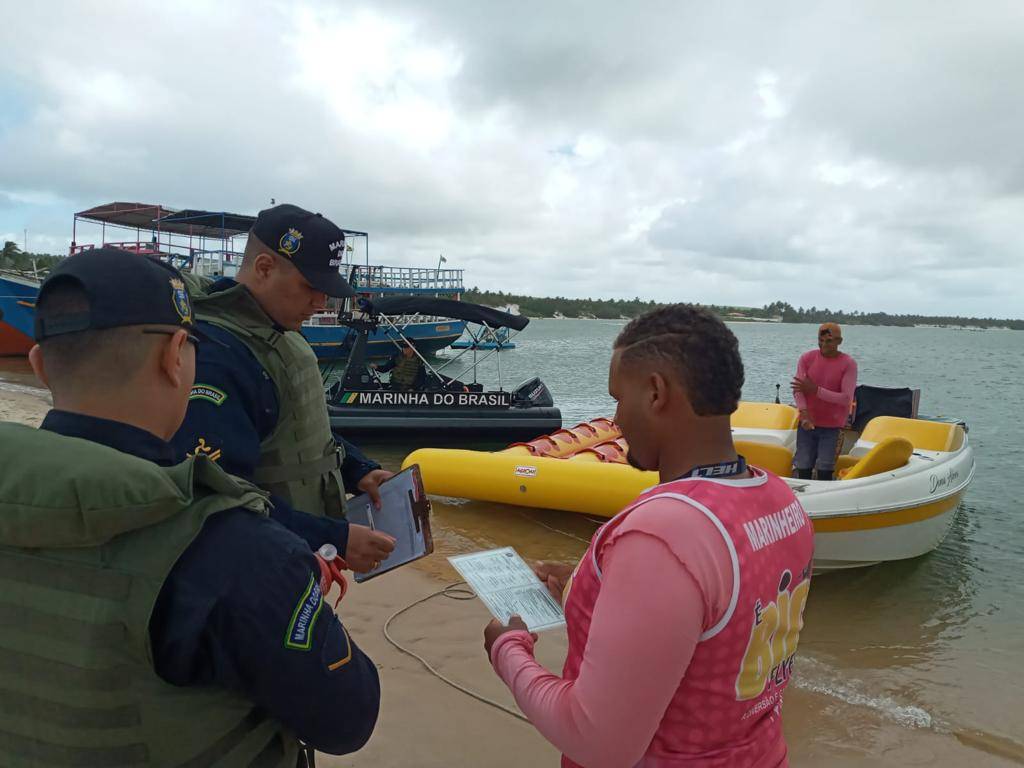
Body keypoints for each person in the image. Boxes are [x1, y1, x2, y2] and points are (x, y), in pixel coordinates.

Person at [0, 248, 379, 766]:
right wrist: (290, 582)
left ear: (40, 366)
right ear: (174, 356)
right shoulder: (232, 548)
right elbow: (348, 718)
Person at [483, 305, 815, 768]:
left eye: (619, 398)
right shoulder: (782, 502)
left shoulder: (662, 534)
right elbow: (716, 629)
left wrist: (508, 649)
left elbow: (597, 743)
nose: (615, 419)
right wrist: (584, 585)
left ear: (656, 392)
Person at [171, 203, 395, 573]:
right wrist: (332, 538)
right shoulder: (217, 359)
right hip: (248, 573)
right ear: (263, 268)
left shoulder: (276, 332)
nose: (320, 302)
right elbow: (215, 501)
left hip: (291, 559)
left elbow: (289, 431)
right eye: (310, 286)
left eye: (326, 290)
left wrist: (357, 469)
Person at [790, 321, 857, 481]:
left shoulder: (848, 364)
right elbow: (798, 388)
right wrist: (804, 413)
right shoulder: (807, 358)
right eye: (820, 340)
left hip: (832, 427)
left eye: (829, 341)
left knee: (825, 467)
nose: (823, 345)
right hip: (807, 422)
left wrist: (816, 390)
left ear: (839, 341)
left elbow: (846, 398)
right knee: (803, 464)